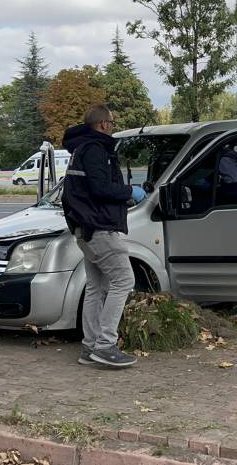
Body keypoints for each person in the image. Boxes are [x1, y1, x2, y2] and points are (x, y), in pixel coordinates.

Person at [61, 104, 147, 368]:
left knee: (97, 287)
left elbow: (87, 189)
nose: (114, 126)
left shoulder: (81, 149)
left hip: (85, 227)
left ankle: (90, 347)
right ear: (102, 125)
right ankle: (105, 345)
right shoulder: (96, 149)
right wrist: (129, 191)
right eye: (112, 122)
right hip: (99, 227)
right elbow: (100, 188)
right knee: (124, 280)